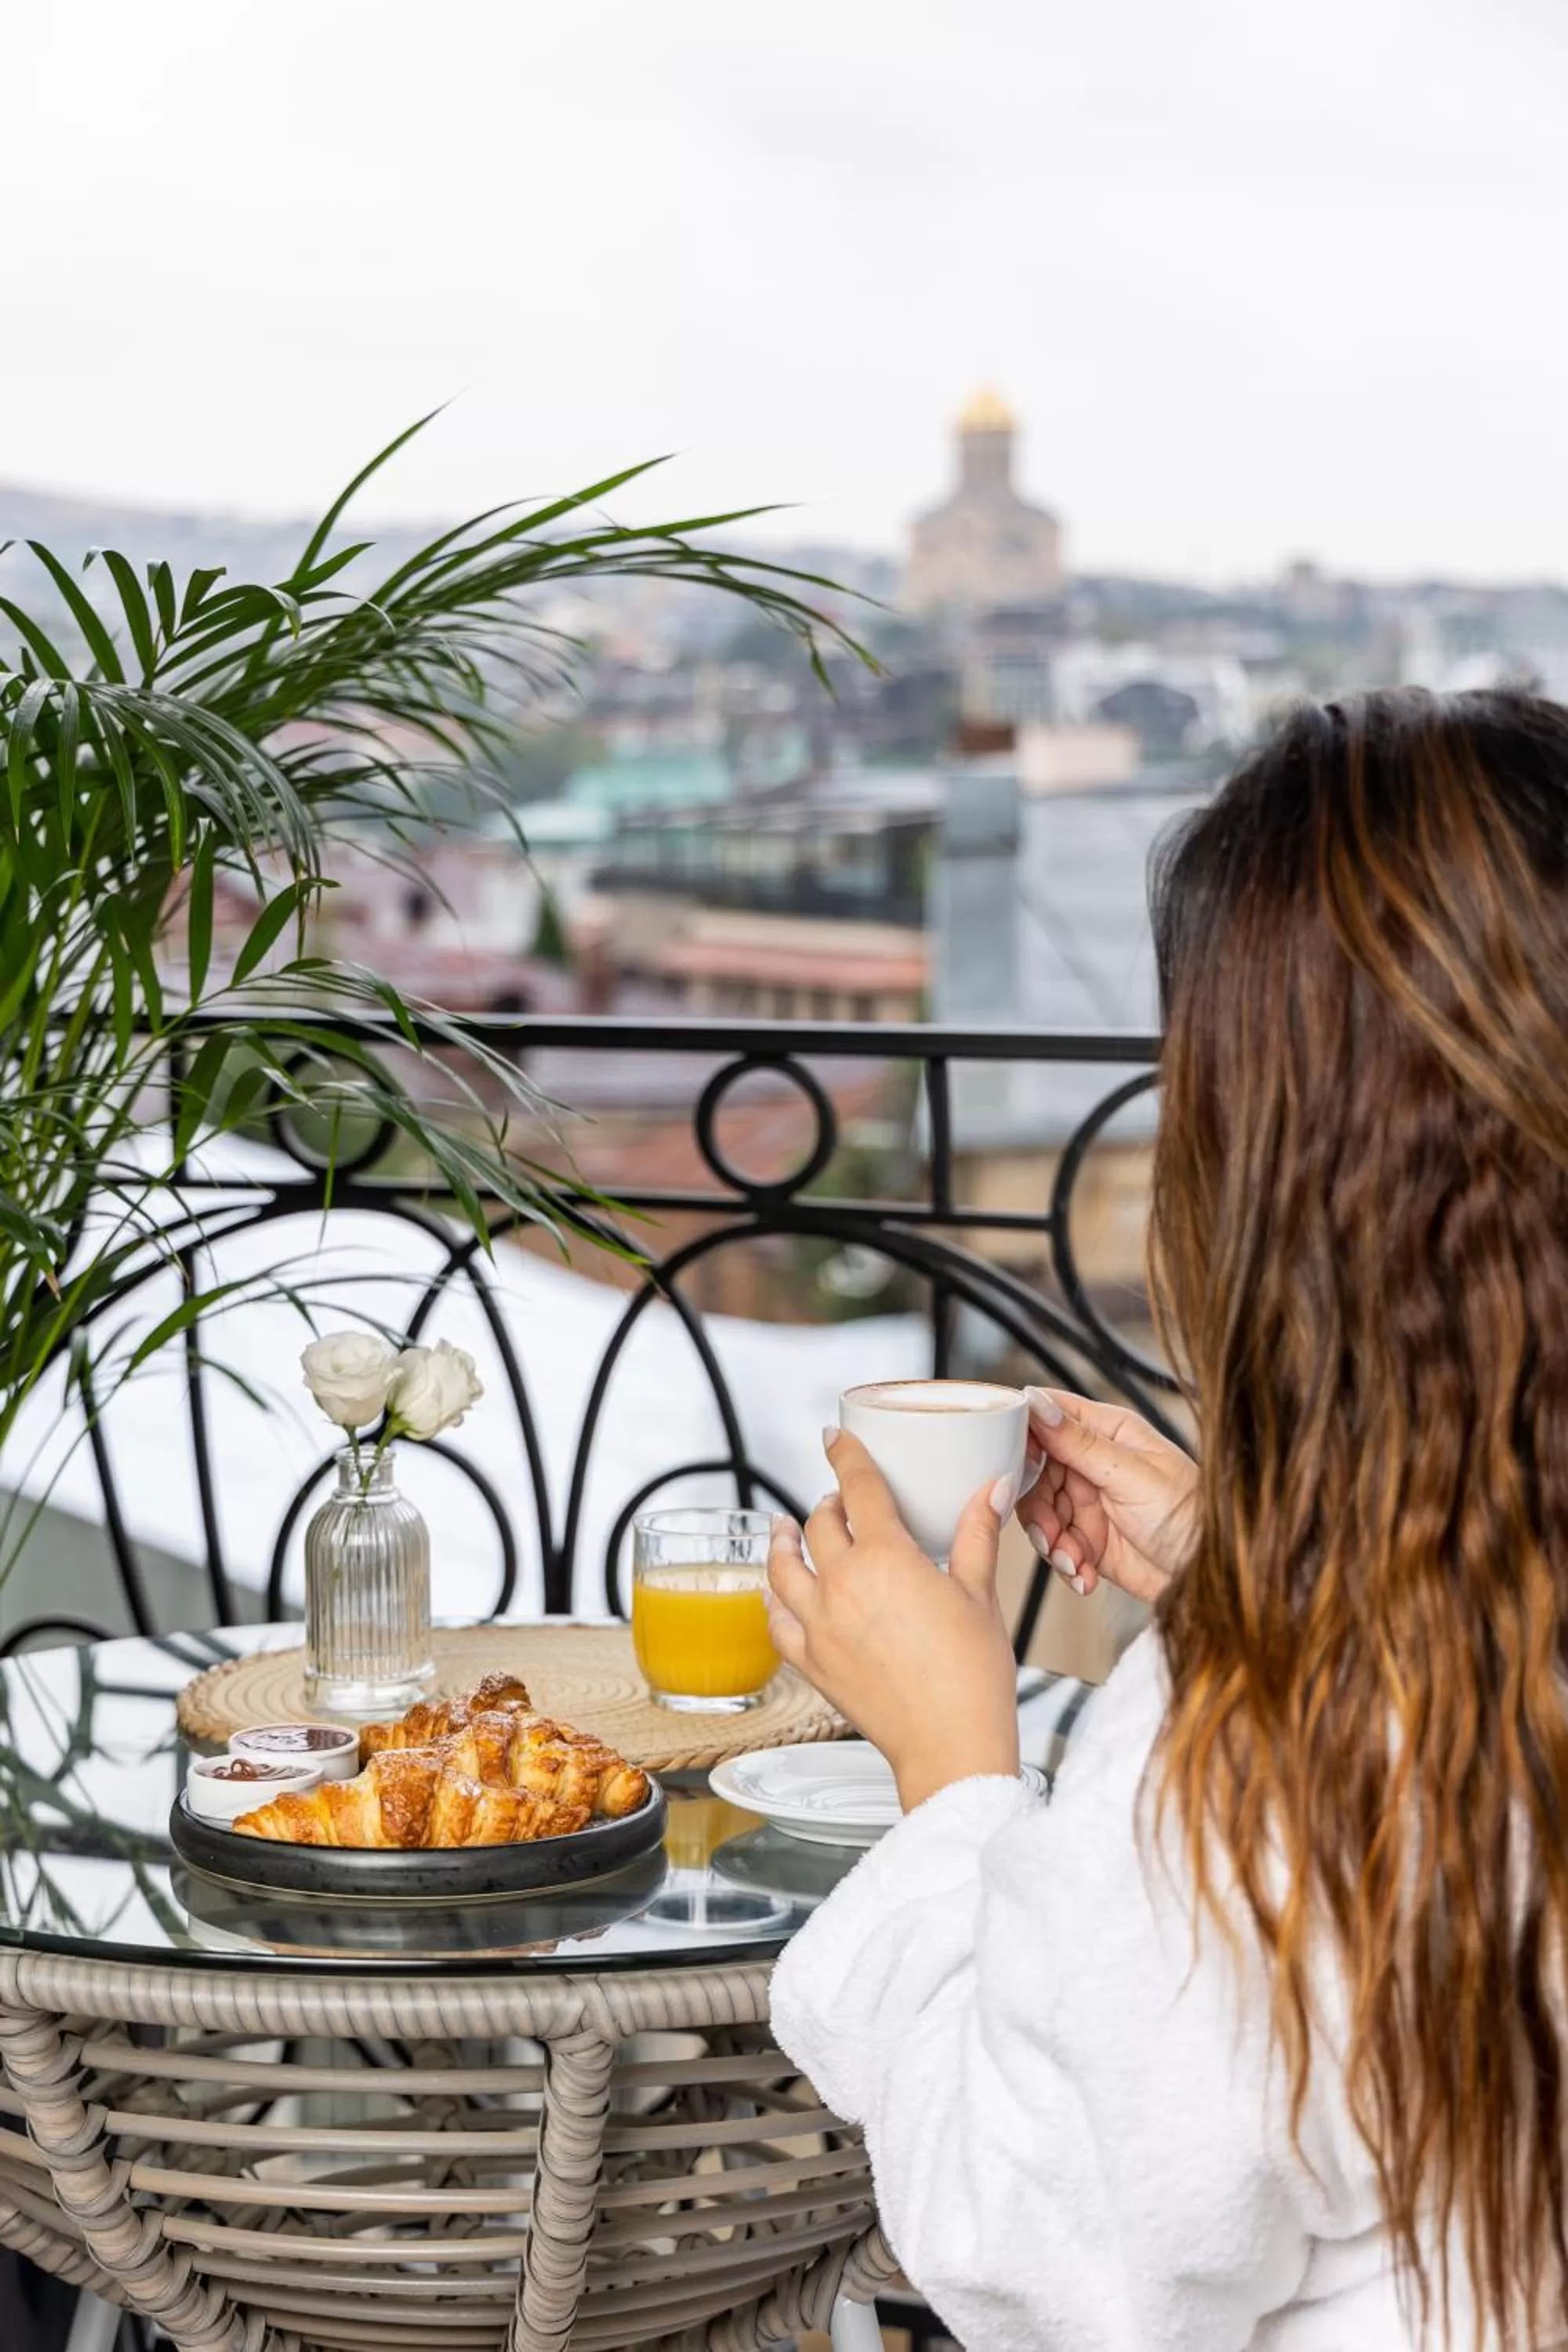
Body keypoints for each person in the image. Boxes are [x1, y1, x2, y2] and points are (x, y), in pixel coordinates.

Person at [766, 689, 1568, 2351]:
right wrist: (1229, 1564)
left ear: (1290, 1179)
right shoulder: (1428, 1676)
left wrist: (949, 1772)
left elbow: (1047, 2260)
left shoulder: (1270, 1762)